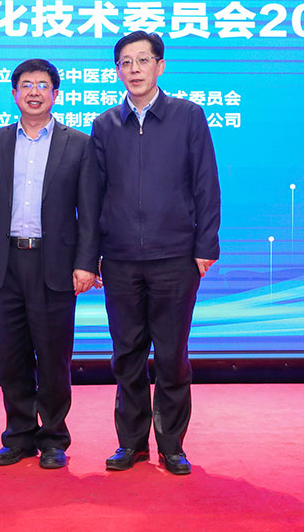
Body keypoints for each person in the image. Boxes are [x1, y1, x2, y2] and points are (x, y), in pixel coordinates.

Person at [90, 31, 221, 476]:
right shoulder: (105, 124)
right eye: (126, 62)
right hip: (121, 258)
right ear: (117, 71)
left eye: (143, 60)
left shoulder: (188, 116)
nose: (134, 69)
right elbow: (94, 196)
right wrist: (93, 255)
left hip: (175, 257)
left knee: (171, 354)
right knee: (126, 354)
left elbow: (206, 184)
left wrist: (205, 245)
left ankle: (171, 445)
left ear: (160, 66)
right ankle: (130, 443)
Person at [0, 58, 100, 470]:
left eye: (43, 85)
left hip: (56, 263)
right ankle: (19, 436)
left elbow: (90, 211)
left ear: (55, 94)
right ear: (14, 94)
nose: (34, 92)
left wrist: (87, 263)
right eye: (26, 85)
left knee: (53, 357)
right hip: (6, 262)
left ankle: (54, 438)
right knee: (11, 357)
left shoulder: (78, 144)